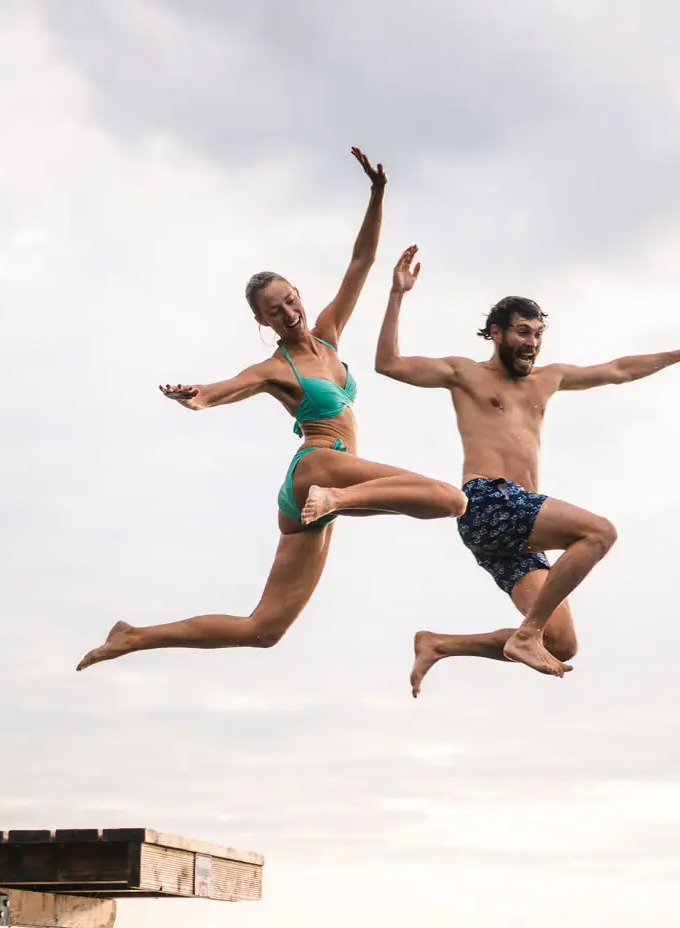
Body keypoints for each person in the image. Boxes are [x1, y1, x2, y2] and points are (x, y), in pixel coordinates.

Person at [77, 151, 466, 672]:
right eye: (274, 310)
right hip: (320, 467)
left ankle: (133, 637)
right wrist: (193, 394)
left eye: (290, 299)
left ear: (298, 294)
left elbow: (360, 263)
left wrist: (377, 195)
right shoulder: (274, 368)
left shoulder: (328, 337)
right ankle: (339, 498)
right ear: (262, 320)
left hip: (311, 492)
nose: (288, 312)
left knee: (263, 630)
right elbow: (220, 391)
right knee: (450, 499)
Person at [374, 245, 680, 695]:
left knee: (561, 643)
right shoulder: (465, 374)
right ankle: (525, 636)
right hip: (488, 501)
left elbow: (619, 370)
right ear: (495, 333)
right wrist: (397, 294)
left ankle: (438, 644)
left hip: (518, 528)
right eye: (523, 332)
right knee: (599, 533)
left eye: (538, 334)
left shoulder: (550, 378)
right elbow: (387, 364)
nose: (532, 342)